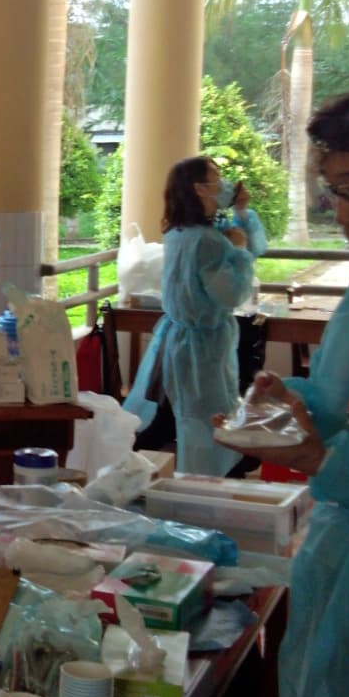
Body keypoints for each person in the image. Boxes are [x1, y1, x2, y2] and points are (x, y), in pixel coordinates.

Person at [215, 82, 349, 697]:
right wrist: (289, 402)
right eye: (332, 193)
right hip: (345, 547)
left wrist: (329, 461)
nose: (340, 212)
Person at [123, 156, 256, 477]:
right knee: (209, 422)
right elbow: (232, 294)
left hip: (181, 340)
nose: (223, 183)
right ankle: (204, 485)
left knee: (192, 419)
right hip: (203, 346)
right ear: (200, 188)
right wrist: (240, 251)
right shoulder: (208, 241)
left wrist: (240, 216)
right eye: (216, 177)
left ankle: (194, 481)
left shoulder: (179, 233)